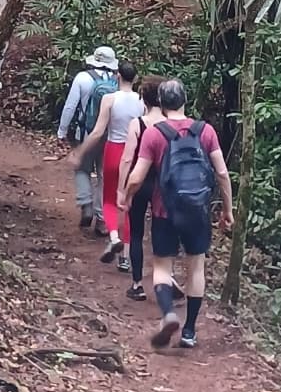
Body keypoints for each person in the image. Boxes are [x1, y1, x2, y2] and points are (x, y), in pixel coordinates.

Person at [125, 78, 234, 349]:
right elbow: (221, 172)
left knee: (162, 267)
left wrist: (126, 197)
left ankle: (168, 314)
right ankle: (189, 331)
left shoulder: (154, 133)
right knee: (196, 267)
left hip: (165, 211)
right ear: (185, 100)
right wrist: (227, 210)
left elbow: (137, 176)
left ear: (161, 104)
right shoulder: (205, 131)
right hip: (198, 211)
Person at [117, 75, 185, 305]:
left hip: (141, 183)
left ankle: (137, 285)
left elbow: (127, 159)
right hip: (164, 185)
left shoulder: (138, 124)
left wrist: (122, 190)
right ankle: (168, 277)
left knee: (136, 232)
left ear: (143, 99)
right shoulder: (171, 125)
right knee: (163, 232)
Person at [71, 61, 143, 268]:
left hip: (113, 150)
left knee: (110, 199)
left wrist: (81, 151)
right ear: (135, 79)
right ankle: (125, 258)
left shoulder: (109, 99)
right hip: (134, 153)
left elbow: (97, 131)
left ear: (117, 76)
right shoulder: (141, 102)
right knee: (128, 203)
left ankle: (113, 238)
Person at [57, 45, 119, 235]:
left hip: (86, 133)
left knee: (82, 168)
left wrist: (62, 131)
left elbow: (70, 107)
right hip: (110, 136)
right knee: (104, 176)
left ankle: (86, 204)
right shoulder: (118, 81)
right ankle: (101, 221)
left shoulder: (83, 78)